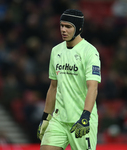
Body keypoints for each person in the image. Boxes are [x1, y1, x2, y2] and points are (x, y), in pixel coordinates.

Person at [37, 9, 101, 150]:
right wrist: (46, 117)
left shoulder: (90, 52)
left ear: (78, 28)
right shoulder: (56, 51)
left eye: (68, 26)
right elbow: (53, 87)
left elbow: (93, 87)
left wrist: (85, 116)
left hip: (81, 119)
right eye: (61, 25)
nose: (63, 30)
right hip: (59, 119)